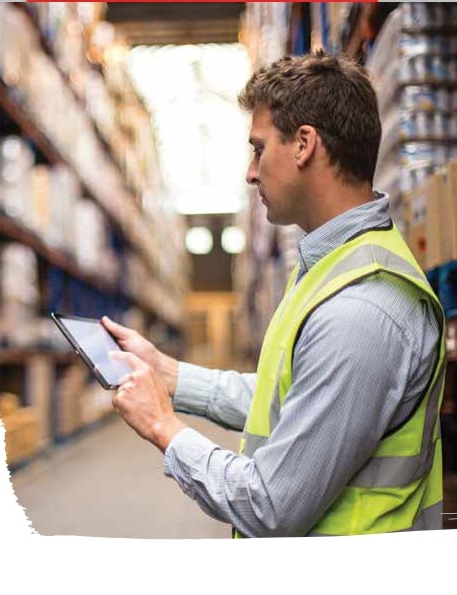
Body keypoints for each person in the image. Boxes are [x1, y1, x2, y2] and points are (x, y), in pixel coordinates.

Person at [102, 49, 447, 537]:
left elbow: (270, 504)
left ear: (305, 144)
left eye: (259, 148)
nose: (250, 171)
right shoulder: (333, 268)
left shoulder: (361, 307)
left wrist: (164, 427)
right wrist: (169, 373)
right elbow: (292, 401)